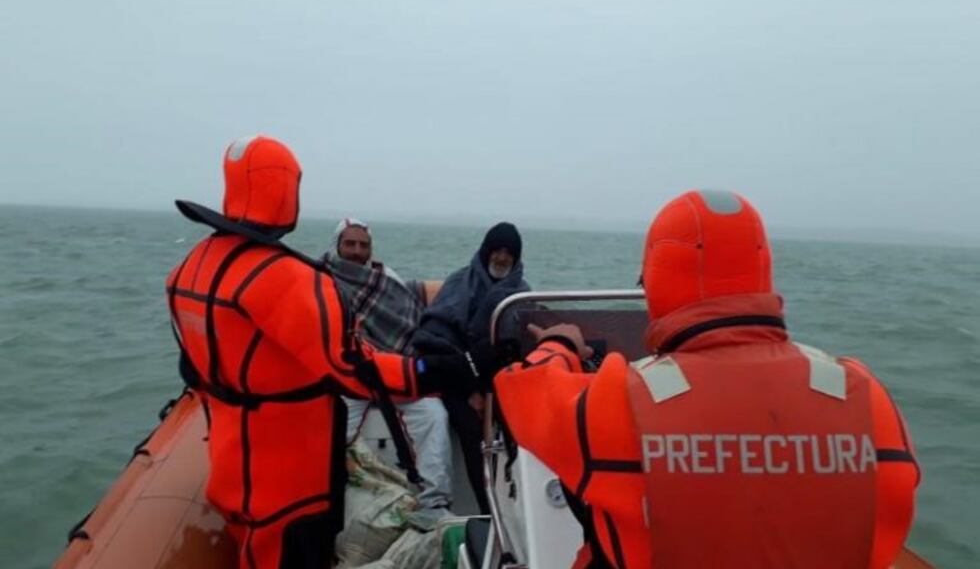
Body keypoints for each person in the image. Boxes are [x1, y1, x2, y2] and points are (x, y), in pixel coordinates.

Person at [493, 190, 919, 569]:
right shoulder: (866, 396)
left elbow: (523, 394)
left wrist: (559, 345)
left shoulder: (618, 403)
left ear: (658, 279)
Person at [166, 135, 473, 569]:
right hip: (291, 481)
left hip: (231, 464)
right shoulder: (288, 279)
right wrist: (435, 371)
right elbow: (353, 368)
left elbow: (192, 368)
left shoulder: (189, 268)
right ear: (287, 191)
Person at [323, 217, 454, 516]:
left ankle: (435, 503)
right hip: (351, 378)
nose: (357, 251)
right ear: (336, 245)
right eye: (350, 244)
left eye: (363, 245)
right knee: (329, 427)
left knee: (435, 417)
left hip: (396, 373)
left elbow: (408, 323)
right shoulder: (321, 279)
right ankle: (329, 503)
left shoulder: (385, 278)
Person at [410, 221, 530, 514]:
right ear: (486, 251)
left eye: (509, 253)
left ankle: (516, 508)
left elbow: (519, 347)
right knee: (470, 429)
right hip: (456, 378)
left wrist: (487, 386)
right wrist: (470, 388)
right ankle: (486, 511)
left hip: (498, 380)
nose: (501, 258)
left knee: (519, 425)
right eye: (497, 251)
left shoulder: (522, 293)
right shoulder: (459, 282)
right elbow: (435, 334)